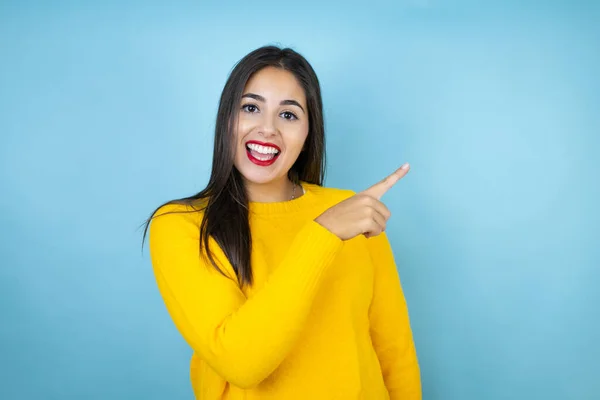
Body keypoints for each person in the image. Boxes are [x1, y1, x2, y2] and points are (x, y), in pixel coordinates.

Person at [142, 45, 421, 399]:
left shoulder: (349, 210)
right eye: (251, 108)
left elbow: (394, 350)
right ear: (227, 119)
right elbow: (242, 363)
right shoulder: (181, 226)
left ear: (308, 134)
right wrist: (322, 234)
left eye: (288, 115)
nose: (267, 128)